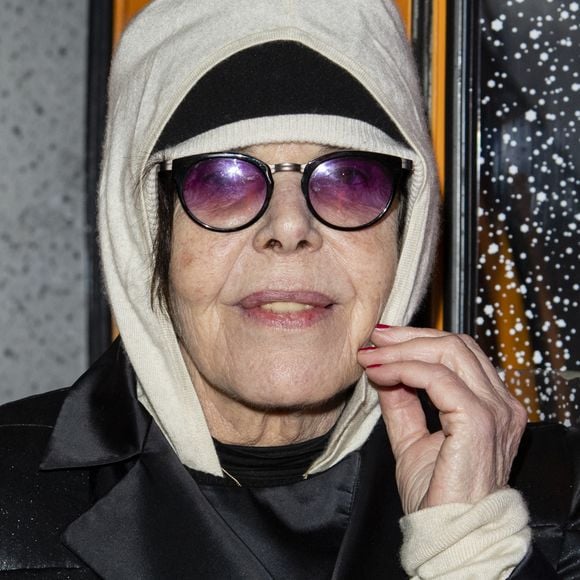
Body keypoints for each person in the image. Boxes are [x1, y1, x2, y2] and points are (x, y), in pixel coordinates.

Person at [0, 0, 577, 578]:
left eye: (350, 177)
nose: (289, 228)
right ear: (147, 229)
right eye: (221, 178)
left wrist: (472, 551)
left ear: (409, 226)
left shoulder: (555, 500)